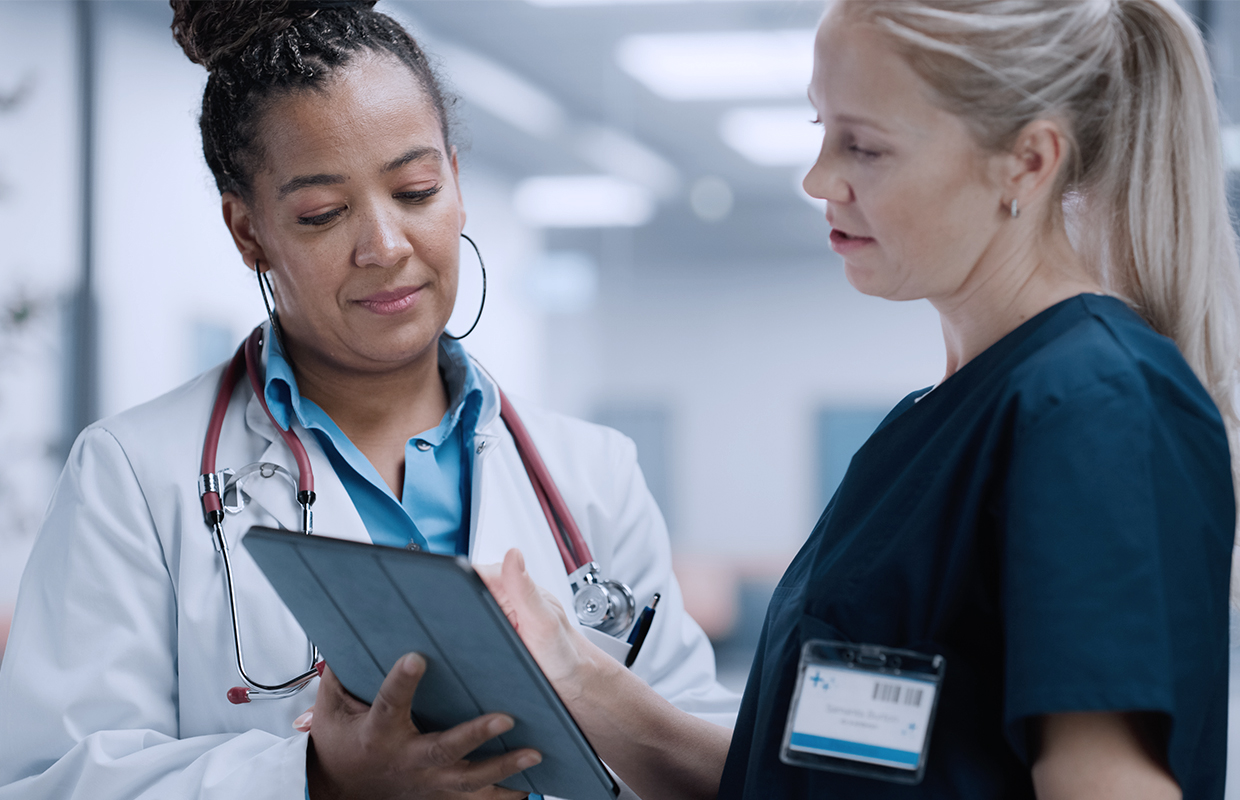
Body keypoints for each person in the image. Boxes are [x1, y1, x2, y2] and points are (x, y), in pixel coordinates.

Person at [479, 1, 1240, 798]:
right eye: (820, 129)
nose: (817, 180)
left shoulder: (1095, 406)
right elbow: (798, 781)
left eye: (864, 147)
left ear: (1027, 162)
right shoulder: (931, 421)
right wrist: (571, 672)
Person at [0, 2, 737, 798]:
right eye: (323, 214)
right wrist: (318, 778)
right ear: (248, 231)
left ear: (455, 179)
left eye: (416, 191)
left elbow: (698, 758)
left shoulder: (591, 474)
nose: (385, 247)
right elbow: (49, 781)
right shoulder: (137, 476)